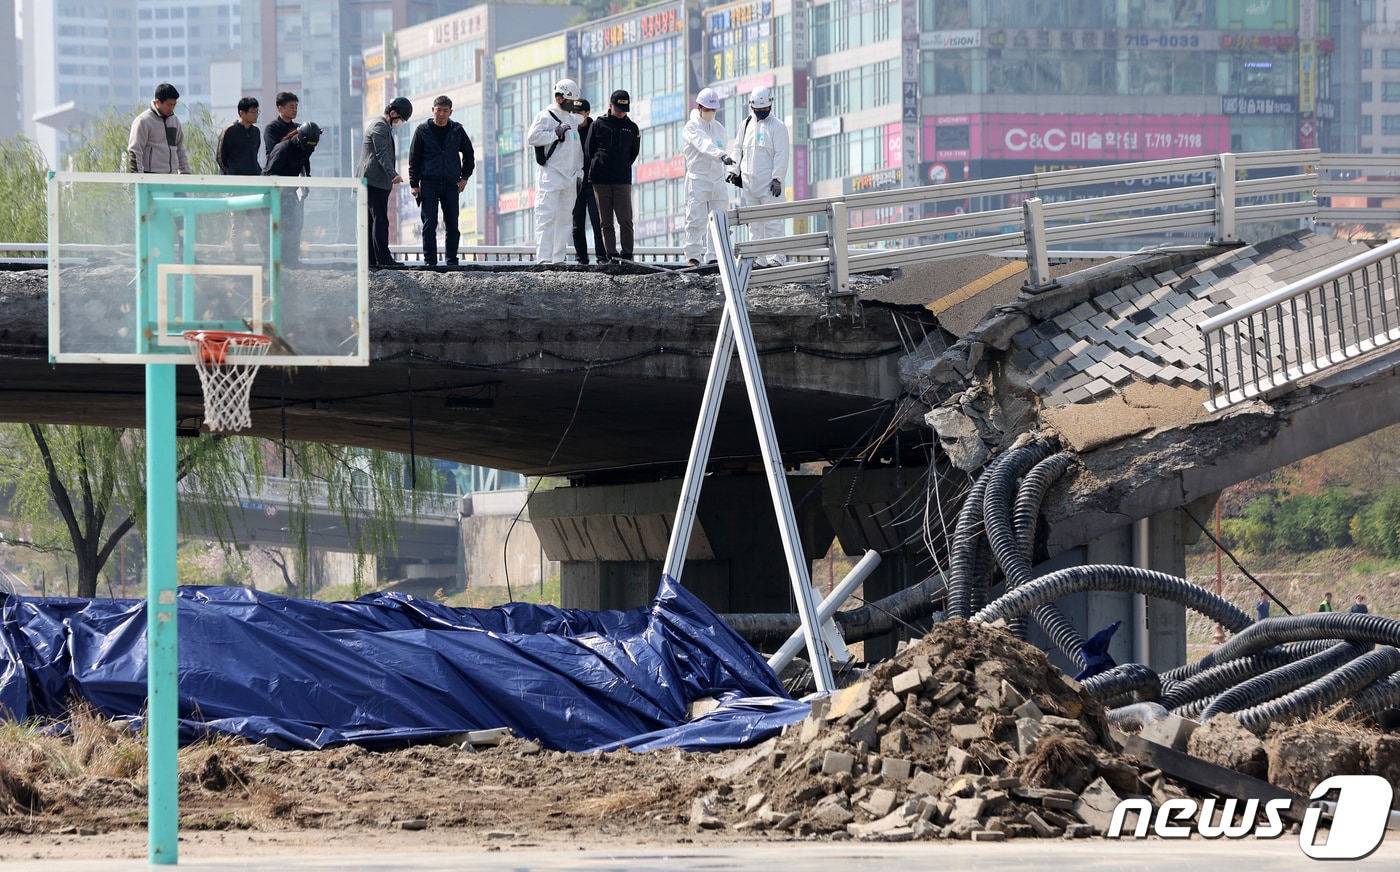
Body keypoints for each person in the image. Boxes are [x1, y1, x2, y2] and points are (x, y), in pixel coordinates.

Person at [408, 95, 475, 267]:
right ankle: (430, 261)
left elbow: (469, 154)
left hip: (451, 184)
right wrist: (414, 184)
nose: (441, 114)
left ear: (450, 112)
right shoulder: (422, 131)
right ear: (433, 110)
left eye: (445, 111)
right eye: (438, 110)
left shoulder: (457, 130)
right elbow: (413, 159)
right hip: (429, 182)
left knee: (452, 223)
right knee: (429, 222)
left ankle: (452, 260)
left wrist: (465, 178)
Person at [527, 78, 584, 264]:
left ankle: (559, 258)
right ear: (559, 98)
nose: (572, 106)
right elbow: (533, 137)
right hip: (551, 174)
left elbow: (577, 149)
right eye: (569, 102)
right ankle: (544, 258)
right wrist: (554, 133)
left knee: (565, 219)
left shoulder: (571, 120)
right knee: (546, 217)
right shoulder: (545, 116)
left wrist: (580, 172)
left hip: (569, 177)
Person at [734, 85, 790, 267]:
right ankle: (758, 258)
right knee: (755, 224)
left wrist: (777, 178)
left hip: (769, 184)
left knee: (773, 222)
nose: (762, 112)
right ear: (752, 107)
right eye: (758, 110)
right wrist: (734, 171)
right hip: (750, 183)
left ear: (770, 106)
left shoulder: (778, 127)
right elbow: (738, 149)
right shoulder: (746, 125)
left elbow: (782, 154)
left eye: (764, 109)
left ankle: (777, 258)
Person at [356, 96, 413, 268]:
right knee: (379, 219)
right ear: (392, 113)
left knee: (372, 220)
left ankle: (372, 259)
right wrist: (393, 174)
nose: (400, 123)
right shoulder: (380, 126)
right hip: (373, 181)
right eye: (401, 119)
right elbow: (381, 154)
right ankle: (382, 258)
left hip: (373, 181)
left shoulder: (383, 126)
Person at [584, 89, 640, 262]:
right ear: (610, 106)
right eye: (618, 108)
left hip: (622, 180)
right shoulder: (599, 124)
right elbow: (589, 150)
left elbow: (633, 153)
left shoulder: (632, 128)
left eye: (624, 109)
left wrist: (621, 165)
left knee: (626, 219)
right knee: (605, 221)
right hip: (600, 180)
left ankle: (627, 254)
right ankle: (611, 254)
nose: (621, 112)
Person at [681, 87, 734, 267]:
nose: (711, 112)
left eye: (714, 109)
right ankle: (693, 256)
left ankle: (714, 255)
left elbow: (721, 144)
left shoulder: (719, 129)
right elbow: (704, 144)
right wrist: (721, 155)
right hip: (699, 179)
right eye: (708, 109)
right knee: (696, 219)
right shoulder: (692, 126)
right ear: (699, 107)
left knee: (719, 219)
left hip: (717, 180)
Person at [263, 121, 320, 267]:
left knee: (295, 225)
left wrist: (306, 183)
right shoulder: (283, 148)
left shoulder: (306, 147)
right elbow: (270, 173)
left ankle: (292, 260)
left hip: (292, 193)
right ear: (299, 137)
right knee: (278, 228)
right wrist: (281, 192)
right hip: (275, 195)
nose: (309, 149)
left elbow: (305, 165)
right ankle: (275, 262)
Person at [216, 97, 266, 260]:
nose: (256, 114)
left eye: (257, 111)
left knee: (259, 223)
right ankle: (238, 258)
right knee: (237, 224)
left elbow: (254, 156)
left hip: (253, 186)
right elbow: (220, 158)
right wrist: (231, 177)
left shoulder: (256, 132)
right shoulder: (229, 131)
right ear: (241, 112)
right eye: (253, 111)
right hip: (236, 186)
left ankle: (268, 257)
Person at [570, 99, 607, 266]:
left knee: (597, 222)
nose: (575, 115)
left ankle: (602, 257)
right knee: (577, 224)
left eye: (579, 112)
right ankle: (581, 259)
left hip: (593, 182)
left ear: (587, 113)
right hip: (575, 183)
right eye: (573, 112)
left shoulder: (596, 129)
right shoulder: (569, 130)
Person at [127, 82, 191, 174]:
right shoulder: (143, 121)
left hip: (172, 178)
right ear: (157, 102)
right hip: (151, 177)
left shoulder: (175, 121)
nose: (172, 108)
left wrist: (186, 174)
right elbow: (135, 151)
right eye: (169, 105)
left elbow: (180, 150)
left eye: (174, 105)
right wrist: (139, 180)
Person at [264, 92, 300, 159]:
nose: (295, 110)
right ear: (280, 108)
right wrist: (293, 135)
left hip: (297, 168)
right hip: (277, 169)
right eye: (291, 107)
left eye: (296, 107)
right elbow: (275, 152)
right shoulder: (271, 128)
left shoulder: (298, 127)